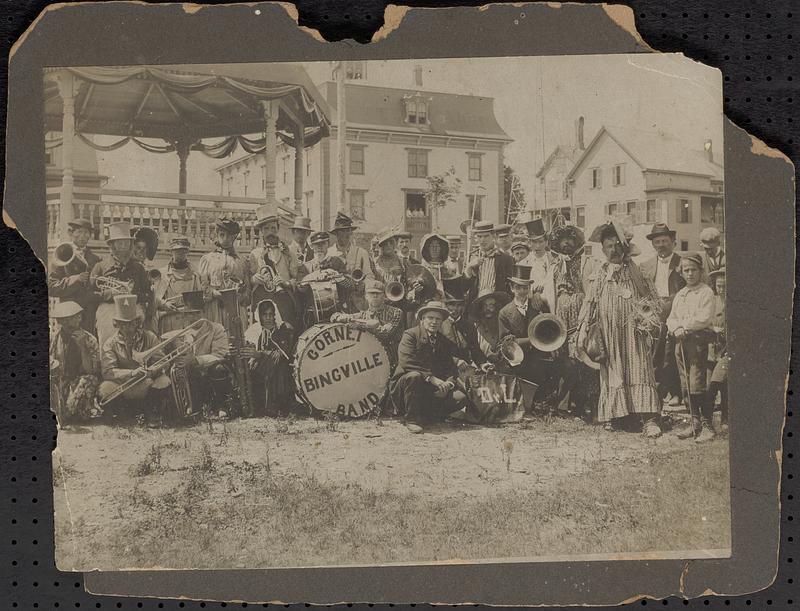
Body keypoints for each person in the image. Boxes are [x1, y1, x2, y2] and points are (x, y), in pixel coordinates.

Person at [578, 220, 663, 436]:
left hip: (634, 333)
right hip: (609, 334)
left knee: (640, 369)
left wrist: (646, 320)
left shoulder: (637, 271)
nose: (613, 250)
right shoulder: (599, 273)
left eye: (617, 245)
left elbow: (653, 301)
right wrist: (582, 331)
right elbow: (590, 303)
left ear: (624, 247)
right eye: (608, 246)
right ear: (603, 249)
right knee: (613, 373)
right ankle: (616, 416)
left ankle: (649, 419)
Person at [498, 265, 576, 416]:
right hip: (520, 359)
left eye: (526, 288)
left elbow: (552, 330)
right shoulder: (504, 312)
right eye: (518, 288)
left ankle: (554, 404)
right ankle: (536, 403)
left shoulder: (538, 305)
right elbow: (505, 343)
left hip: (541, 355)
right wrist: (532, 340)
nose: (522, 291)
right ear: (512, 288)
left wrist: (553, 347)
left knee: (569, 366)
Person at [390, 301, 468, 433]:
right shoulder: (410, 335)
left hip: (430, 389)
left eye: (438, 319)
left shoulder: (443, 341)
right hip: (406, 389)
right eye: (430, 318)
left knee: (461, 397)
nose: (434, 322)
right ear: (422, 319)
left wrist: (448, 384)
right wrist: (432, 379)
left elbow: (450, 367)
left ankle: (429, 415)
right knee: (414, 376)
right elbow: (406, 362)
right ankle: (412, 419)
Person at [549, 224, 599, 421]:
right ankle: (564, 404)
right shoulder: (555, 266)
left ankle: (586, 403)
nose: (566, 244)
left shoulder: (587, 262)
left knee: (582, 357)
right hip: (561, 313)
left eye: (569, 240)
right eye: (562, 241)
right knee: (565, 361)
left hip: (580, 311)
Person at [667, 253, 716, 442]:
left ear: (701, 271)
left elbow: (704, 318)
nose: (690, 274)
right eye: (686, 270)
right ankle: (694, 422)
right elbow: (671, 318)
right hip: (681, 343)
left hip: (699, 342)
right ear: (681, 272)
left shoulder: (706, 292)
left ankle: (707, 425)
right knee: (685, 382)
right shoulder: (681, 294)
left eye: (693, 270)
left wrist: (684, 326)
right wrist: (676, 328)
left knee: (697, 383)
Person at [98, 294, 168, 421]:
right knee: (105, 388)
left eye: (131, 324)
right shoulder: (110, 343)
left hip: (146, 381)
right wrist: (131, 373)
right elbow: (108, 371)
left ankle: (150, 411)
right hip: (123, 383)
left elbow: (162, 361)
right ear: (117, 324)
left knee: (164, 380)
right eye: (123, 324)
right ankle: (122, 412)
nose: (127, 328)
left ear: (137, 322)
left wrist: (151, 371)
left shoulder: (150, 337)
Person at [162, 299, 232, 420]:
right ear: (184, 315)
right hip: (192, 377)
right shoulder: (179, 332)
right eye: (189, 313)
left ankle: (221, 406)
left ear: (204, 312)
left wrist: (195, 360)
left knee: (219, 369)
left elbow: (219, 355)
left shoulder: (216, 328)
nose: (193, 317)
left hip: (210, 373)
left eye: (197, 313)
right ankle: (188, 408)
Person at [640, 223, 686, 407]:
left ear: (673, 243)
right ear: (653, 245)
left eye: (665, 241)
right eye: (657, 242)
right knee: (655, 353)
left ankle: (676, 392)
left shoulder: (682, 264)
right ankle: (657, 392)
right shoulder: (646, 265)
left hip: (676, 311)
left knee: (672, 354)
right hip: (653, 313)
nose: (661, 245)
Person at [90, 221, 151, 350]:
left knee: (134, 345)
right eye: (119, 242)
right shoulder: (100, 266)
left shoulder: (138, 268)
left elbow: (148, 294)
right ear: (112, 245)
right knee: (108, 345)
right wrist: (110, 294)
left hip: (133, 309)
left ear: (130, 245)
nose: (123, 246)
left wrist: (132, 295)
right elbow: (90, 295)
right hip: (109, 309)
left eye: (126, 242)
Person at [242, 299, 297, 417]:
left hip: (279, 366)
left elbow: (282, 354)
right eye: (264, 315)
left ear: (274, 315)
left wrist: (259, 355)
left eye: (270, 315)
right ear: (259, 316)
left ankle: (276, 407)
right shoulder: (255, 330)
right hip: (261, 365)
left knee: (279, 369)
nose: (268, 318)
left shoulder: (283, 329)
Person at [49, 301, 101, 425]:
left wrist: (83, 347)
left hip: (80, 382)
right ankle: (65, 411)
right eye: (63, 320)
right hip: (61, 381)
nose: (79, 318)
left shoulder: (90, 339)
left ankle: (68, 412)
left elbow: (91, 371)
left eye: (78, 316)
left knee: (90, 380)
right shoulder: (54, 339)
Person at [47, 218, 102, 335]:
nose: (83, 236)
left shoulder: (96, 259)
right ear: (71, 233)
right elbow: (51, 287)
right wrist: (75, 280)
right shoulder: (61, 254)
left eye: (86, 232)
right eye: (79, 232)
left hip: (89, 312)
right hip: (68, 314)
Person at [331, 279, 404, 362]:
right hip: (372, 359)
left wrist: (360, 326)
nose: (375, 296)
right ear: (366, 296)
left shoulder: (396, 312)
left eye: (378, 293)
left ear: (384, 296)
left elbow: (386, 333)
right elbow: (333, 316)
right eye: (371, 293)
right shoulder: (363, 315)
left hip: (393, 358)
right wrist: (341, 317)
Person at [198, 217, 251, 326]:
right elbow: (202, 285)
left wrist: (241, 296)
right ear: (217, 235)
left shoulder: (242, 261)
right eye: (222, 235)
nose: (226, 239)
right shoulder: (207, 259)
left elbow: (248, 289)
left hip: (236, 309)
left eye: (229, 236)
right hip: (215, 308)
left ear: (234, 237)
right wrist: (213, 293)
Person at [296, 231, 354, 324]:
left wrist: (335, 274)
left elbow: (350, 286)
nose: (320, 247)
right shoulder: (306, 266)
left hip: (337, 313)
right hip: (313, 315)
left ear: (328, 244)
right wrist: (315, 275)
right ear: (311, 246)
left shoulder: (338, 262)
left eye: (323, 243)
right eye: (316, 244)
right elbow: (300, 288)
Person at [441, 276, 494, 374]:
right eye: (452, 305)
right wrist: (456, 361)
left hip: (465, 371)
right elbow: (436, 353)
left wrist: (483, 363)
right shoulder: (439, 325)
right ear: (445, 305)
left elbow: (475, 350)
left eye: (459, 305)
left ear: (463, 306)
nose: (455, 309)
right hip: (443, 370)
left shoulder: (468, 326)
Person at [154, 237, 201, 334]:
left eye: (183, 251)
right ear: (171, 251)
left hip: (188, 321)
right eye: (177, 251)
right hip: (169, 320)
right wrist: (164, 304)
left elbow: (199, 301)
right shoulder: (162, 274)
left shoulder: (195, 274)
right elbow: (154, 298)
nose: (180, 254)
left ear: (187, 252)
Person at [328, 211, 373, 310]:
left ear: (350, 232)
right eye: (341, 231)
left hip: (357, 302)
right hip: (335, 302)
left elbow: (369, 276)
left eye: (347, 230)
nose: (344, 234)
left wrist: (364, 285)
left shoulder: (361, 253)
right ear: (336, 233)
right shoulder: (329, 254)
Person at [464, 221, 514, 304]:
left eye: (486, 236)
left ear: (493, 236)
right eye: (479, 237)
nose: (482, 240)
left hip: (497, 305)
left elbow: (511, 287)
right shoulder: (471, 257)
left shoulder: (506, 258)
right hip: (476, 306)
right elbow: (464, 288)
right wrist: (469, 268)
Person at [520, 217, 556, 310]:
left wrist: (540, 295)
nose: (538, 246)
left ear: (546, 242)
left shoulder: (554, 261)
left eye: (540, 242)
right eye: (534, 242)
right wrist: (533, 294)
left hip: (551, 303)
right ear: (529, 243)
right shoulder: (523, 263)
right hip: (530, 304)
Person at [708, 267, 728, 431]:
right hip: (710, 348)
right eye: (718, 286)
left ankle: (725, 418)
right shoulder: (711, 301)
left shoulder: (734, 304)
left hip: (726, 349)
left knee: (720, 382)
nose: (721, 290)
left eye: (724, 286)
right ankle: (707, 421)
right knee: (710, 385)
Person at [467, 287, 510, 361]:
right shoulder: (475, 328)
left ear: (496, 306)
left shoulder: (503, 324)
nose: (488, 309)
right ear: (481, 307)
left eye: (491, 305)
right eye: (485, 305)